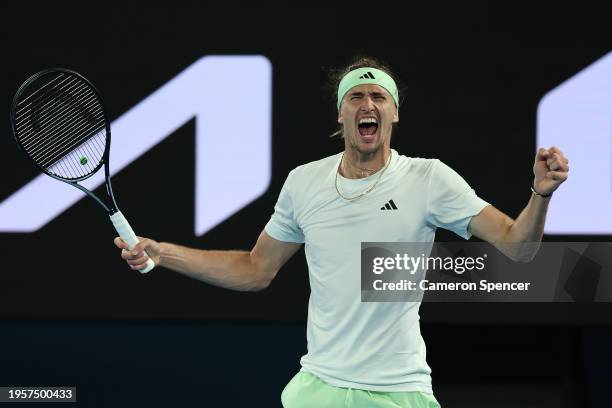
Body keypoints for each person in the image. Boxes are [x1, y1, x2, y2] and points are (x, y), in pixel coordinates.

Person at [115, 56, 569, 407]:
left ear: (393, 114)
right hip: (322, 388)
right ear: (340, 114)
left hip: (398, 389)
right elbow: (255, 269)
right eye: (356, 97)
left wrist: (540, 194)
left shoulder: (428, 179)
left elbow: (518, 248)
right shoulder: (304, 183)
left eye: (379, 97)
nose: (367, 104)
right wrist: (163, 253)